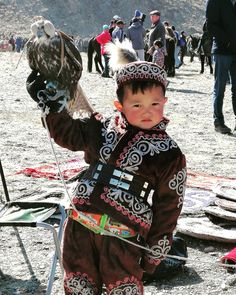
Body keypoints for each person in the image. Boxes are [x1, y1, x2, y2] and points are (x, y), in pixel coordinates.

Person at [26, 40, 187, 294]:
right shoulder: (102, 128)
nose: (147, 112)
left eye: (154, 104)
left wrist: (154, 253)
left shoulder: (169, 153)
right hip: (79, 224)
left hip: (124, 237)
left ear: (164, 102)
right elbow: (69, 135)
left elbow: (169, 207)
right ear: (119, 106)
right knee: (79, 283)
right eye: (137, 105)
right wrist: (53, 109)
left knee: (121, 287)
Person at [206, 0, 236, 134]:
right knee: (220, 87)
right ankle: (218, 121)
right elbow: (211, 25)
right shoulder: (214, 1)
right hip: (222, 50)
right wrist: (229, 41)